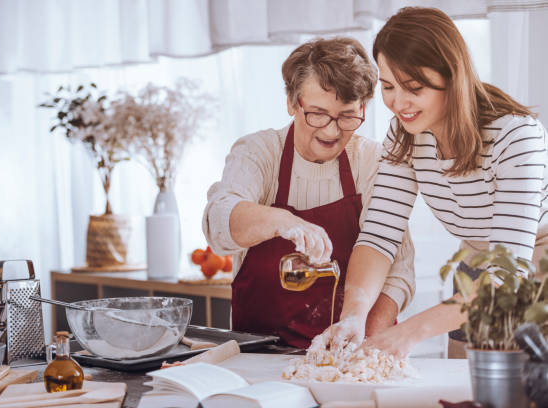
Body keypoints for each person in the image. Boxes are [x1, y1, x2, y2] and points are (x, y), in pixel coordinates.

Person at [326, 7, 548, 358]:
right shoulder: (406, 135)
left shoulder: (516, 135)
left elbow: (510, 271)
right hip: (479, 262)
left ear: (452, 76)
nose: (398, 103)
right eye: (387, 86)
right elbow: (379, 235)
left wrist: (410, 332)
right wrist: (354, 314)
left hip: (535, 264)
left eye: (413, 87)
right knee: (461, 385)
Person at [202, 37, 415, 349]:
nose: (331, 131)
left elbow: (398, 271)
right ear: (291, 102)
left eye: (346, 116)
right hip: (261, 358)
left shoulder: (373, 160)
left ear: (363, 109)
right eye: (317, 113)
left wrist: (361, 343)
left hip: (352, 355)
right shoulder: (259, 152)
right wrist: (282, 221)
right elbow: (218, 223)